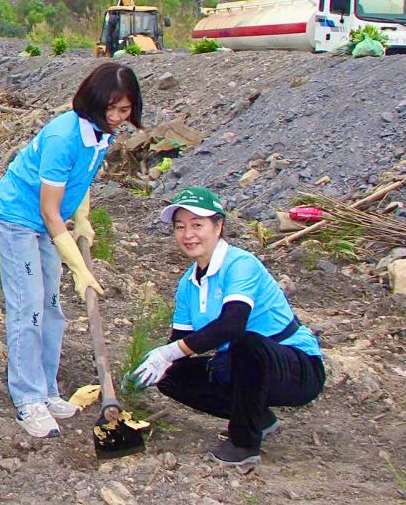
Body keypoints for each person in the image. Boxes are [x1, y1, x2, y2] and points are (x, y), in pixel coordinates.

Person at [0, 60, 142, 439]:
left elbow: (80, 179)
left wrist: (83, 218)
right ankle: (27, 399)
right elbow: (49, 211)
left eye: (124, 110)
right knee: (28, 305)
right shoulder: (63, 137)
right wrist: (80, 268)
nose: (116, 118)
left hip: (47, 221)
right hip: (17, 218)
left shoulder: (102, 134)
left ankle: (46, 390)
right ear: (92, 102)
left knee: (52, 307)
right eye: (110, 109)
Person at [131, 187, 325, 468]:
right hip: (244, 367)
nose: (188, 234)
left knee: (247, 343)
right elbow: (181, 340)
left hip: (296, 367)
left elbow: (232, 324)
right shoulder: (188, 284)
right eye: (180, 227)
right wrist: (151, 365)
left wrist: (168, 352)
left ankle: (244, 443)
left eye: (197, 225)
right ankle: (258, 418)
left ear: (218, 226)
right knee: (172, 374)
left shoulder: (240, 265)